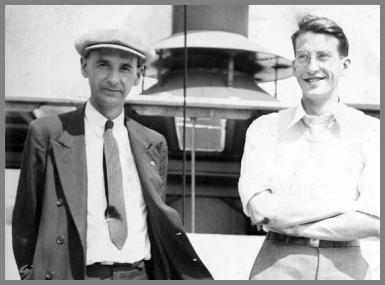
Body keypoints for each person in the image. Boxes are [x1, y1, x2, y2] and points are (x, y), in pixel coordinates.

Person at [12, 28, 213, 280]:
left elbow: (155, 220)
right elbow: (25, 222)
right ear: (85, 66)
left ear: (138, 75)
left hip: (138, 275)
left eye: (125, 68)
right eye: (104, 65)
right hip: (75, 275)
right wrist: (31, 276)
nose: (113, 79)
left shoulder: (153, 143)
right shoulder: (48, 133)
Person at [238, 15, 380, 280]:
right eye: (302, 57)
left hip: (346, 268)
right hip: (276, 263)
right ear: (294, 65)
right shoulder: (265, 129)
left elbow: (374, 222)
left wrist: (288, 222)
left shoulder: (371, 132)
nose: (311, 67)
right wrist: (345, 205)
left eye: (323, 56)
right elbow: (261, 210)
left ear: (344, 65)